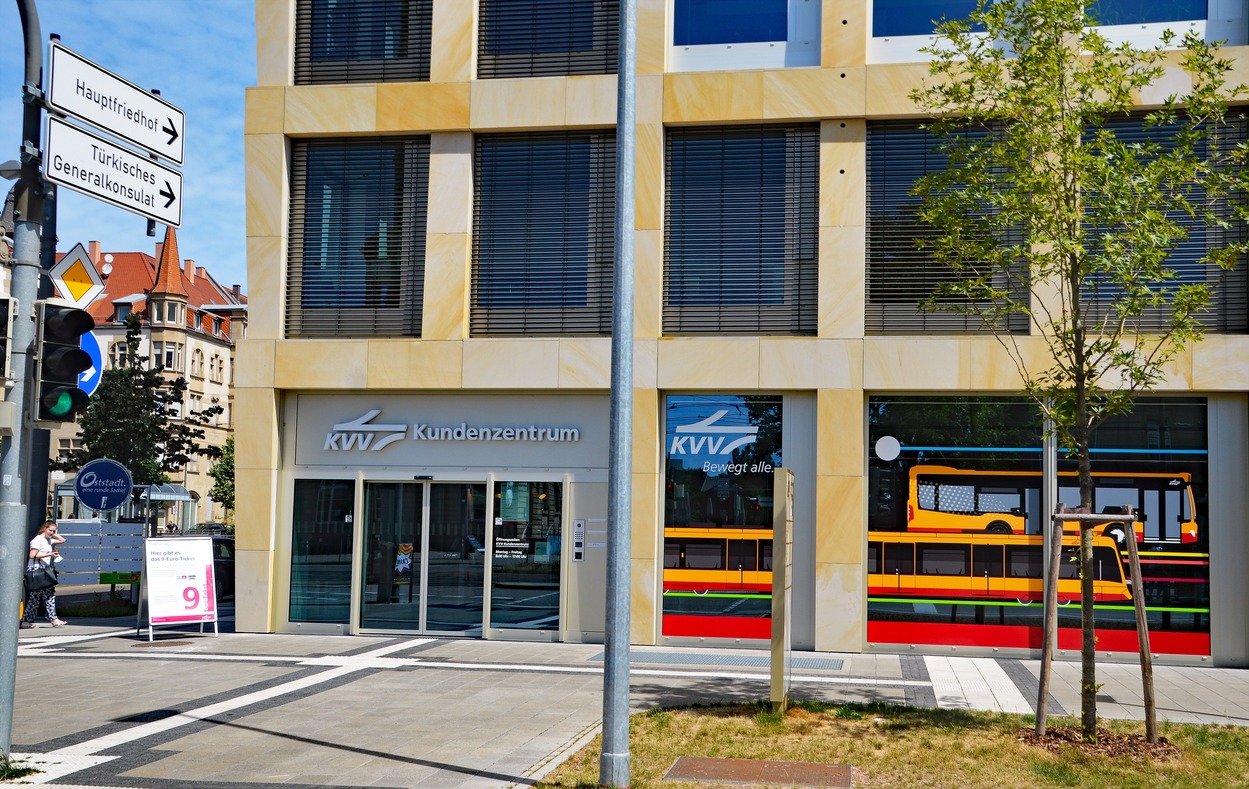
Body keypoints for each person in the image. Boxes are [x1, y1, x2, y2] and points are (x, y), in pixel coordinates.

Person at [21, 520, 66, 628]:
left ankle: (27, 621)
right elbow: (32, 555)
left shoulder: (48, 540)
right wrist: (49, 554)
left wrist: (52, 534)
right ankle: (53, 619)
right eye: (50, 530)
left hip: (43, 571)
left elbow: (63, 540)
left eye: (54, 531)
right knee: (48, 595)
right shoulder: (38, 540)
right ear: (44, 528)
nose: (52, 532)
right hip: (38, 571)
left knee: (35, 598)